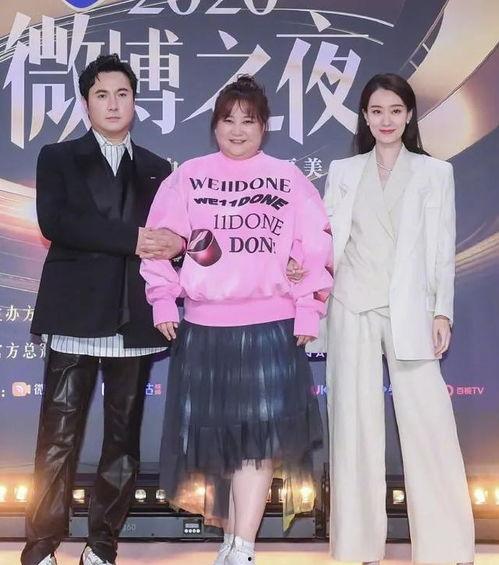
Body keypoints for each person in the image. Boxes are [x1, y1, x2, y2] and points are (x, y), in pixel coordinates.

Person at [140, 75, 333, 565]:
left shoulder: (287, 178)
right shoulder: (189, 177)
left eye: (249, 120)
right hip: (204, 329)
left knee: (257, 442)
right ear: (214, 126)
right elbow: (158, 241)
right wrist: (162, 300)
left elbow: (315, 247)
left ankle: (243, 545)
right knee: (219, 440)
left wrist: (307, 307)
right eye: (228, 120)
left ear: (264, 126)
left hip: (270, 328)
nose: (237, 129)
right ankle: (229, 539)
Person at [22, 54, 184, 565]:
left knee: (123, 439)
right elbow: (57, 223)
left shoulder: (159, 169)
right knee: (58, 436)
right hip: (75, 314)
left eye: (122, 94)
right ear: (86, 103)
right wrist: (134, 239)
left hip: (132, 318)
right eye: (102, 95)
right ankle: (41, 545)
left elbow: (172, 237)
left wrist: (177, 244)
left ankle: (102, 545)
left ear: (135, 101)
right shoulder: (59, 157)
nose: (113, 104)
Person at [319, 73, 475, 565]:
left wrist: (442, 310)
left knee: (430, 424)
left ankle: (447, 548)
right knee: (353, 427)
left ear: (409, 115)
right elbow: (325, 240)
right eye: (376, 111)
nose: (386, 120)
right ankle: (356, 547)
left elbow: (442, 250)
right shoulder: (343, 171)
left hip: (410, 308)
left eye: (395, 110)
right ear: (365, 118)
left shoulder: (435, 173)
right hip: (351, 303)